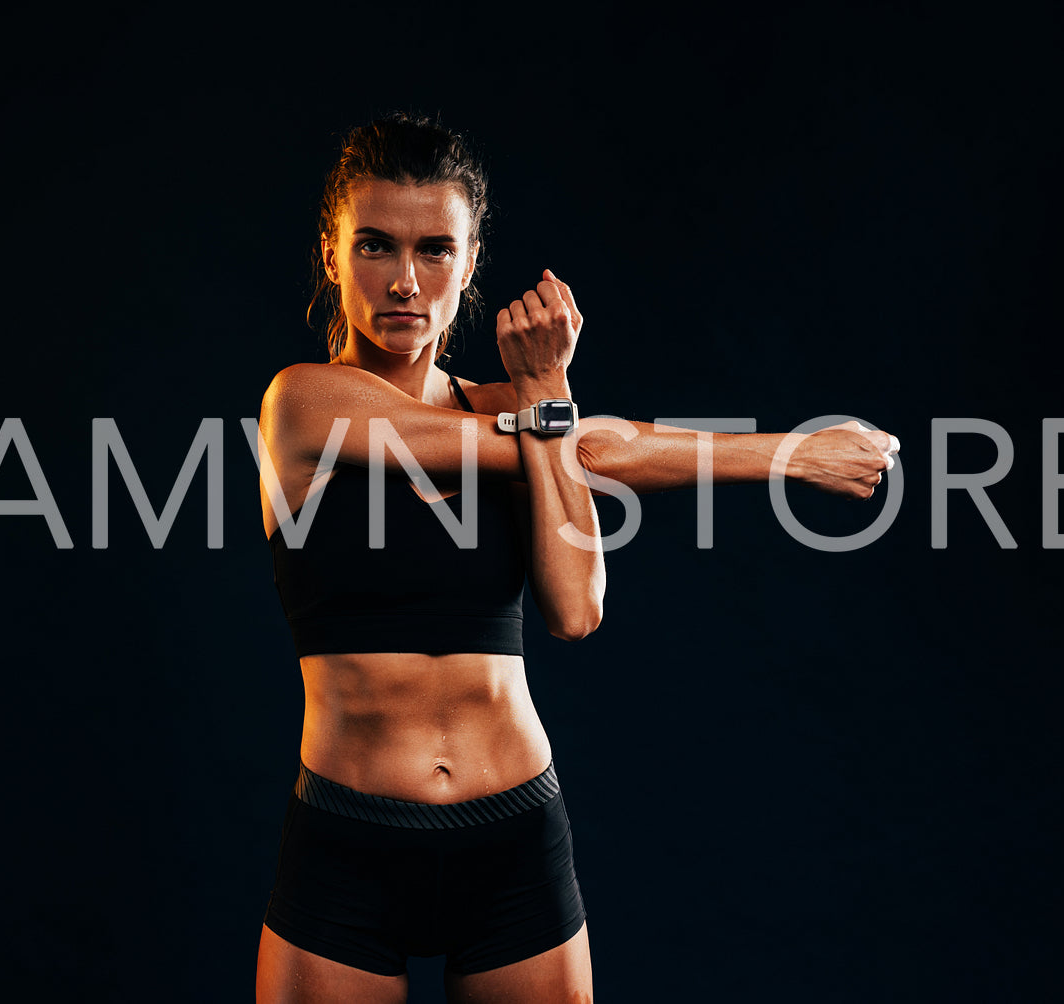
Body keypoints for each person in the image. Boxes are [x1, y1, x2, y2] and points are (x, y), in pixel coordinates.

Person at [255, 113, 899, 1004]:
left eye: (436, 250)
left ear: (469, 263)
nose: (405, 280)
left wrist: (545, 394)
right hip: (348, 835)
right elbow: (590, 448)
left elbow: (575, 609)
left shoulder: (521, 420)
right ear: (332, 254)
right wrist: (788, 454)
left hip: (512, 833)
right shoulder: (304, 403)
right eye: (374, 245)